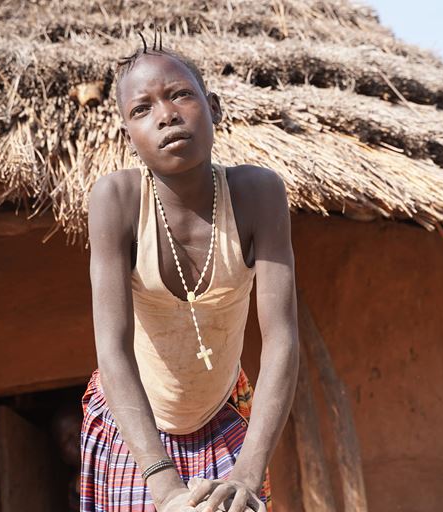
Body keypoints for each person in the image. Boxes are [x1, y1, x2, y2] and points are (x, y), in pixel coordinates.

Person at [81, 33, 300, 512]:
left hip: (226, 409)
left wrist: (247, 471)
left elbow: (282, 339)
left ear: (213, 107)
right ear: (129, 136)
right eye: (142, 110)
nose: (166, 115)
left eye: (180, 94)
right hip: (133, 423)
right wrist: (164, 488)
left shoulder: (258, 195)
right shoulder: (116, 201)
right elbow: (112, 350)